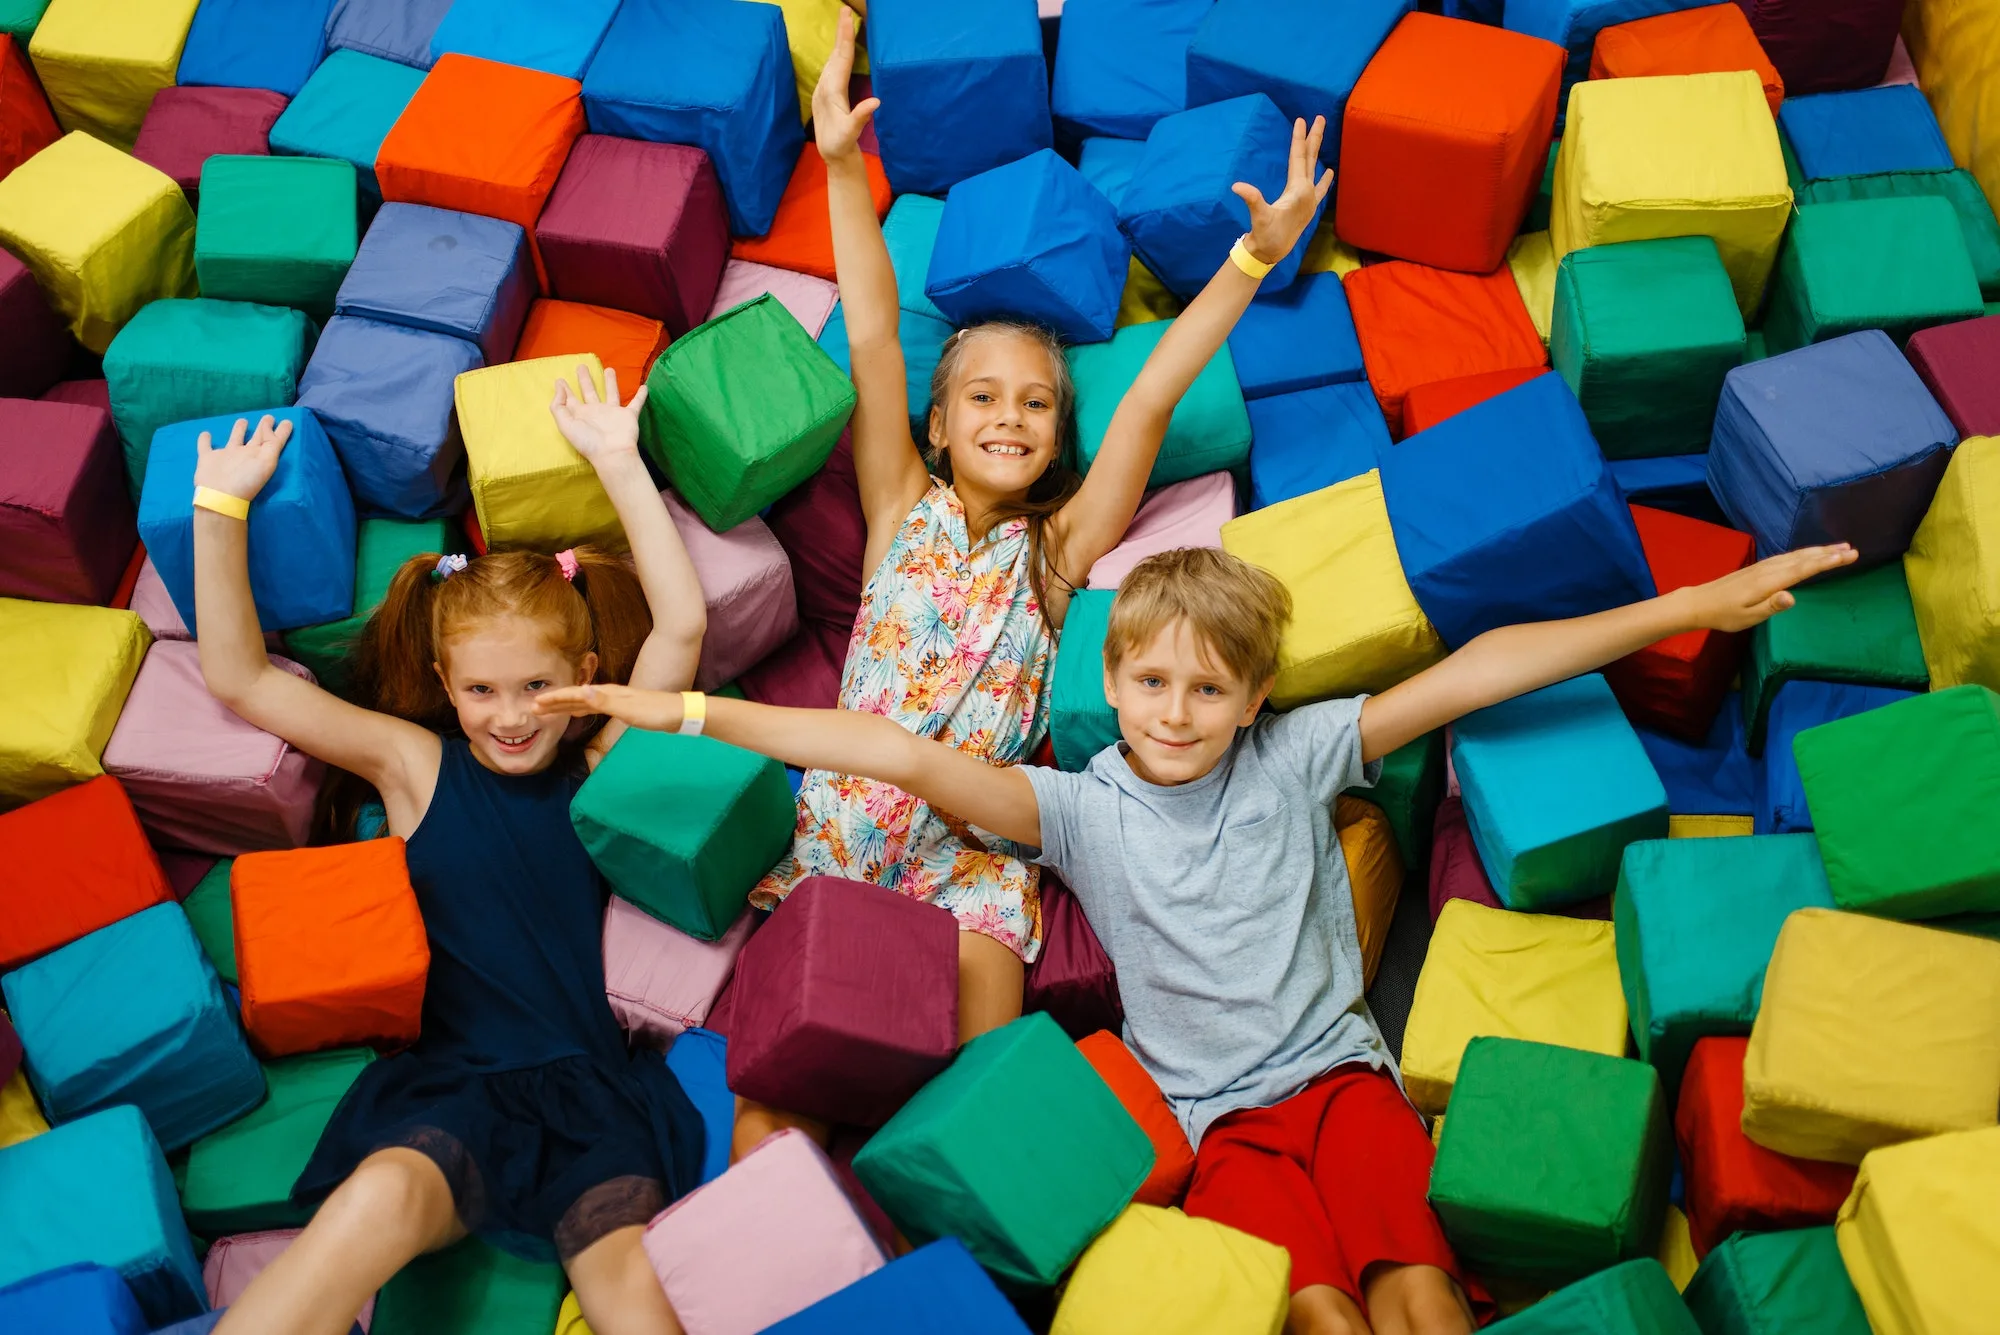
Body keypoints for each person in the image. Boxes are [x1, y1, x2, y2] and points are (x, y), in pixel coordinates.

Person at [532, 538, 1858, 1335]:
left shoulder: (1297, 752)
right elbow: (887, 747)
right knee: (1315, 1311)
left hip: (1342, 1082)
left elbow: (1483, 665)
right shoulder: (1078, 805)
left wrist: (1694, 604)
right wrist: (691, 711)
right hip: (1215, 1122)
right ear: (1111, 685)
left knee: (1417, 1294)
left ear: (1253, 693)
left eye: (1208, 686)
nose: (1176, 708)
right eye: (1152, 681)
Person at [751, 6, 1333, 1117]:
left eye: (1033, 404)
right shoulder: (896, 507)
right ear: (937, 426)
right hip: (843, 827)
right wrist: (837, 166)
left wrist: (1251, 257)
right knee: (784, 1085)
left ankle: (955, 1246)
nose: (1008, 417)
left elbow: (1154, 394)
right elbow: (874, 333)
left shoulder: (1057, 551)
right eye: (981, 397)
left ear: (1056, 440)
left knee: (980, 1095)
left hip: (973, 850)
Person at [199, 369, 707, 1335]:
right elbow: (240, 676)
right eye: (481, 691)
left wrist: (617, 459)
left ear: (587, 677)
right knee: (371, 1204)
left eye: (537, 688)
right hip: (455, 1085)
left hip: (594, 1093)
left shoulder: (604, 764)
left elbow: (681, 623)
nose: (511, 717)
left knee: (630, 1293)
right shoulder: (412, 766)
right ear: (444, 681)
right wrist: (221, 504)